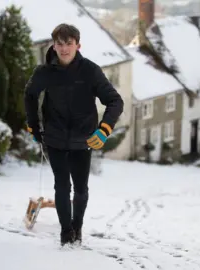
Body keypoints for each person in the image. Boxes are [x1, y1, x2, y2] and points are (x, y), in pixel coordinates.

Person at [24, 23, 124, 246]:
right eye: (59, 44)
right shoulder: (45, 72)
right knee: (61, 185)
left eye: (69, 44)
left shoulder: (90, 71)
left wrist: (104, 129)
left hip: (84, 139)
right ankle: (65, 231)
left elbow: (115, 101)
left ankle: (77, 226)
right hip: (55, 137)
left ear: (78, 45)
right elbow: (30, 94)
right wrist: (33, 125)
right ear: (54, 45)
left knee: (80, 188)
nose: (64, 48)